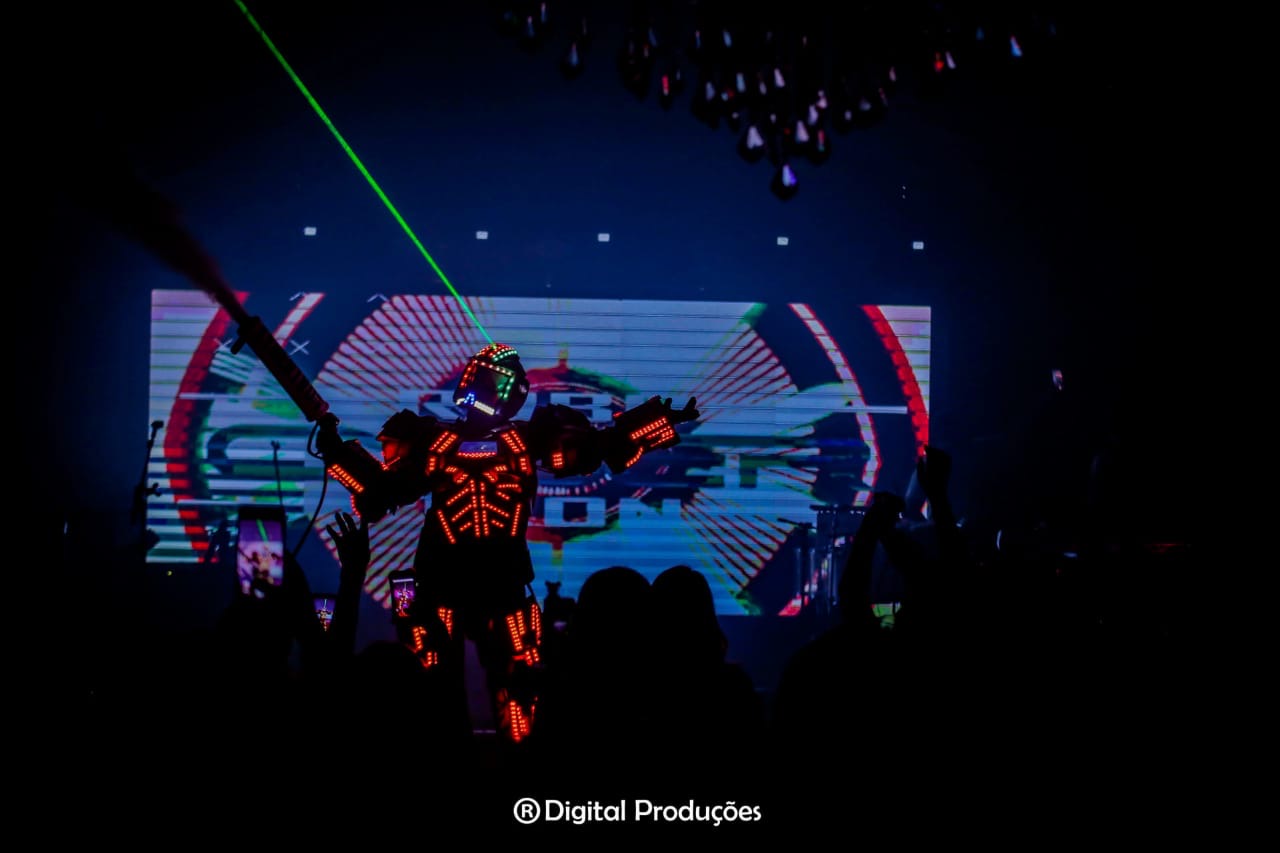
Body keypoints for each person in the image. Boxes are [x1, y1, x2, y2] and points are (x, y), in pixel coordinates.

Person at [317, 342, 698, 743]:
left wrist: (655, 423)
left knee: (519, 684)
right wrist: (335, 452)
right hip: (444, 580)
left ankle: (517, 764)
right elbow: (380, 493)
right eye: (484, 377)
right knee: (432, 686)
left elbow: (600, 447)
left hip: (501, 582)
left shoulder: (525, 440)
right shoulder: (435, 442)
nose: (487, 388)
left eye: (497, 381)